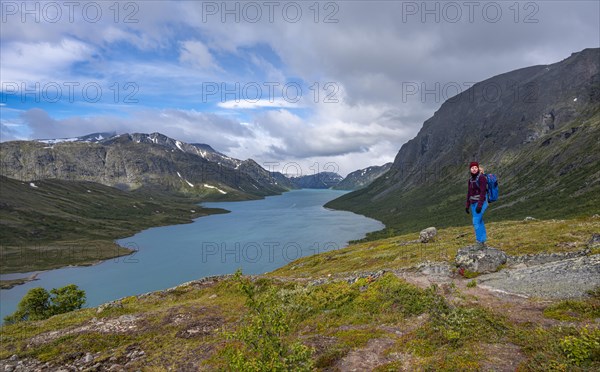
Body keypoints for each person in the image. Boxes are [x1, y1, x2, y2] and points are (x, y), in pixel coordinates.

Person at [465, 161, 488, 249]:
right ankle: (482, 242)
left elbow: (483, 192)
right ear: (470, 169)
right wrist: (467, 205)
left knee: (475, 222)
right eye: (472, 168)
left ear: (478, 168)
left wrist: (480, 205)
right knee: (480, 221)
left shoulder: (482, 178)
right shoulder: (470, 179)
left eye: (475, 167)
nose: (474, 169)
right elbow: (469, 193)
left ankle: (479, 242)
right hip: (473, 203)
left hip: (481, 203)